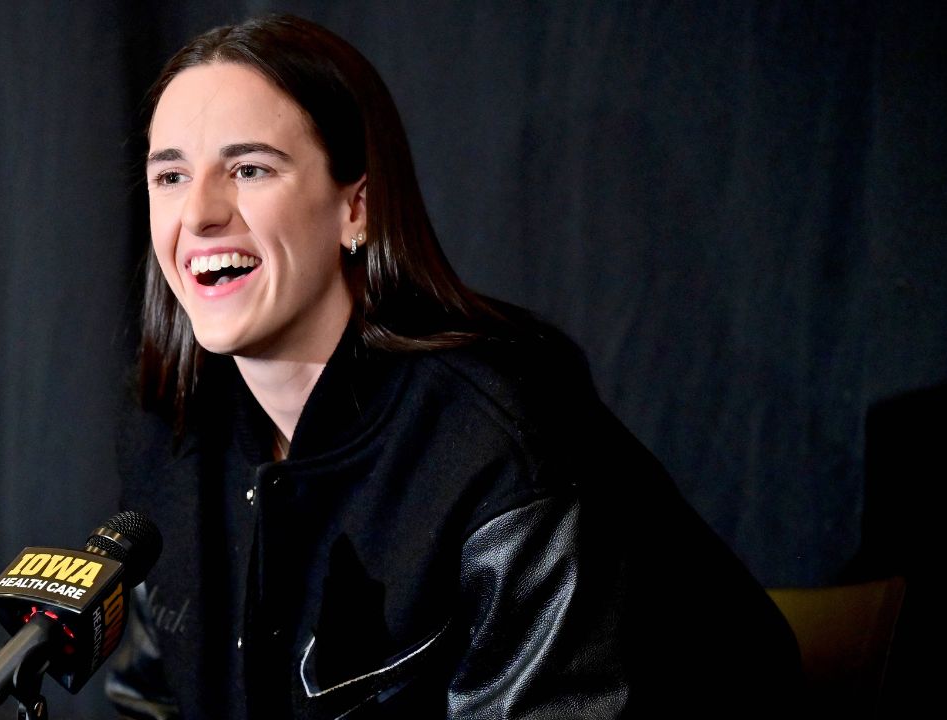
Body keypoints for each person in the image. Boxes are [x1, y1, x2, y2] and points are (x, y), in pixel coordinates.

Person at [106, 14, 800, 720]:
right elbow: (149, 702)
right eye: (170, 175)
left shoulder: (498, 437)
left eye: (249, 168)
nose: (198, 213)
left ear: (358, 207)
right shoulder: (171, 431)